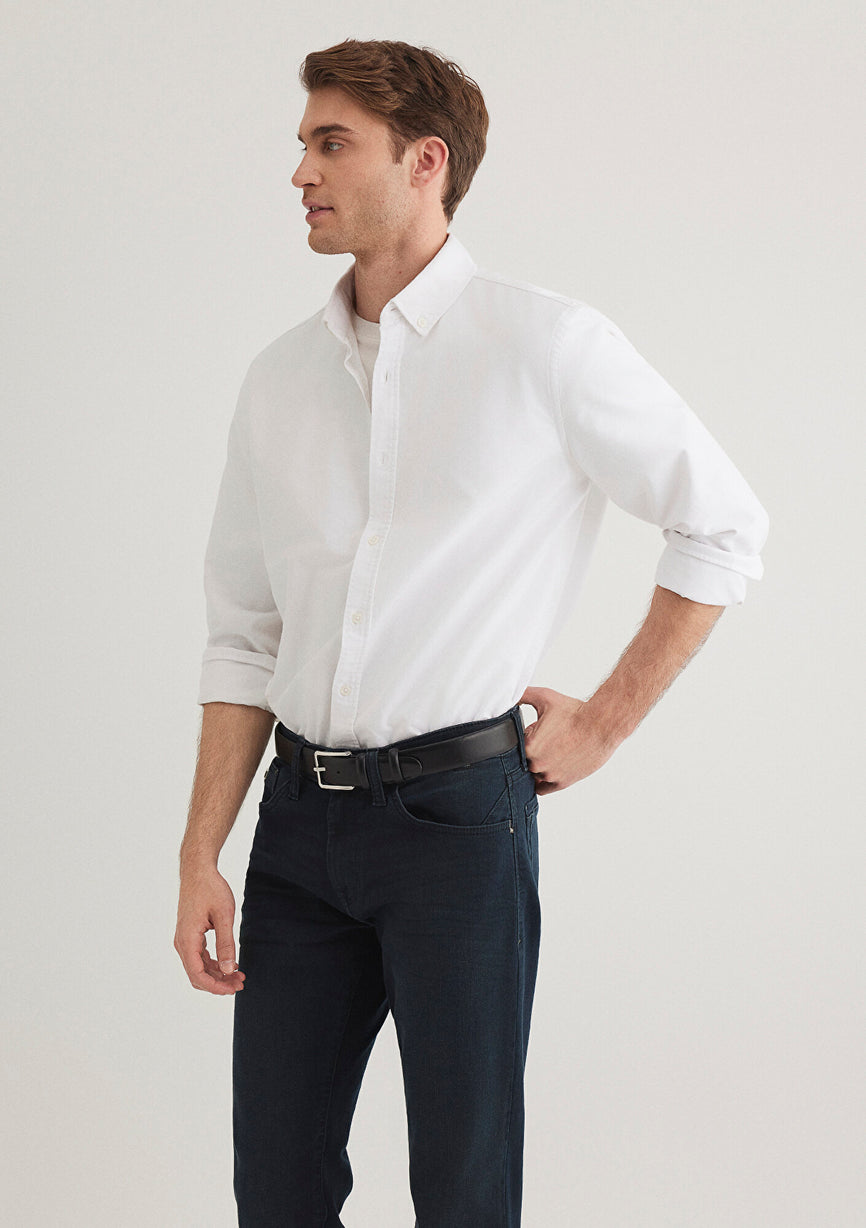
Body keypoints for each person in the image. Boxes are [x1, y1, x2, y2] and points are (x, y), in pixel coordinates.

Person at [174, 37, 769, 1228]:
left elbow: (720, 526)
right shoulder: (279, 380)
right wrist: (203, 850)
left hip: (457, 824)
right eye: (302, 142)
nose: (299, 171)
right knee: (275, 1186)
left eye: (330, 142)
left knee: (462, 1187)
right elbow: (244, 634)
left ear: (425, 162)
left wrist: (606, 719)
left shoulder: (543, 344)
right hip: (296, 831)